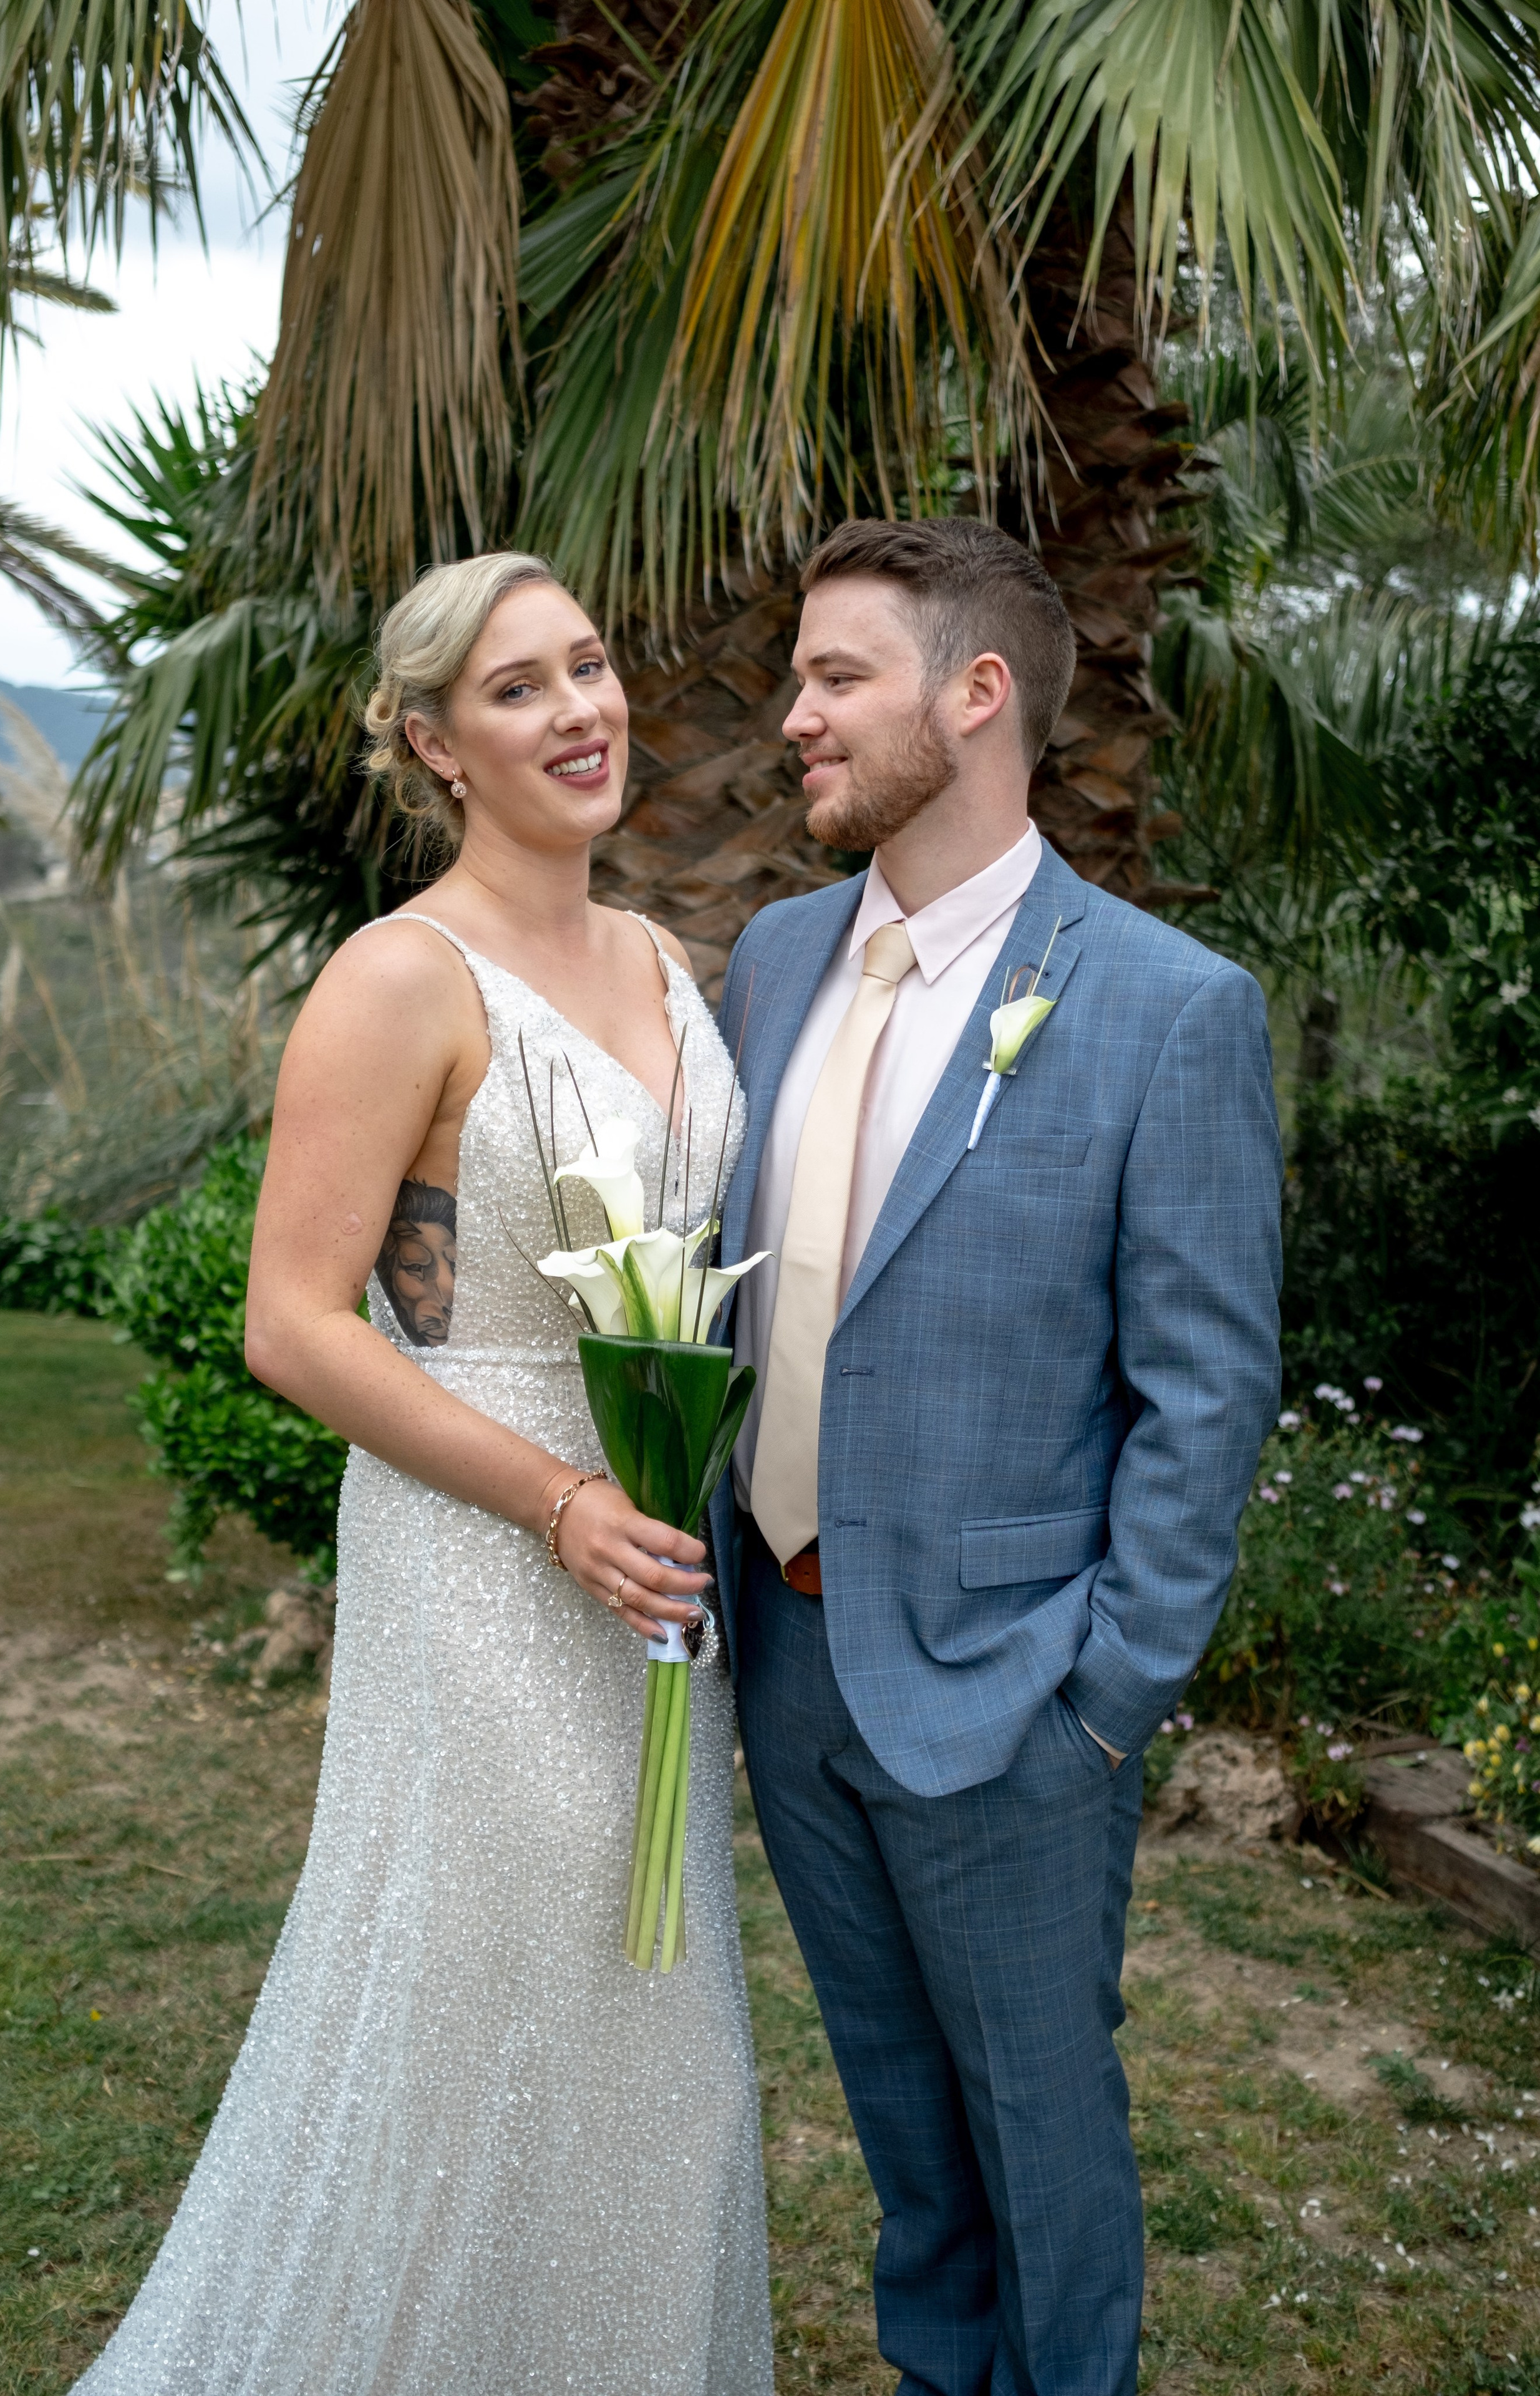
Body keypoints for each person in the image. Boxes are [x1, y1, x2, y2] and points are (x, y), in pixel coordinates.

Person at [72, 553, 773, 2396]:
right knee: (482, 2007)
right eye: (518, 689)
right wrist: (557, 1500)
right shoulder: (399, 977)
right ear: (437, 744)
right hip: (487, 1561)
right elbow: (294, 1323)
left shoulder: (665, 961)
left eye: (589, 666)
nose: (581, 711)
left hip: (654, 1556)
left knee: (653, 2024)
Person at [711, 517, 1284, 2396]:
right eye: (798, 677)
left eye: (836, 675)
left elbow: (1206, 1392)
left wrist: (1104, 1701)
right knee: (906, 2144)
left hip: (1017, 1692)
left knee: (1043, 2153)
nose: (794, 715)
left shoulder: (1166, 1006)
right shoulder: (775, 959)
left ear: (974, 695)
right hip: (787, 1654)